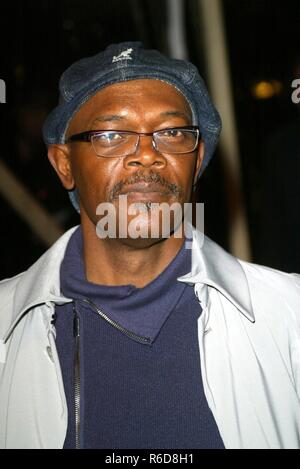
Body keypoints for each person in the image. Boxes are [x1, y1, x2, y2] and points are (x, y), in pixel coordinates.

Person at [0, 42, 299, 450]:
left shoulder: (288, 317)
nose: (146, 155)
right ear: (64, 164)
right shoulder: (5, 326)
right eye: (111, 134)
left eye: (172, 132)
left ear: (197, 161)